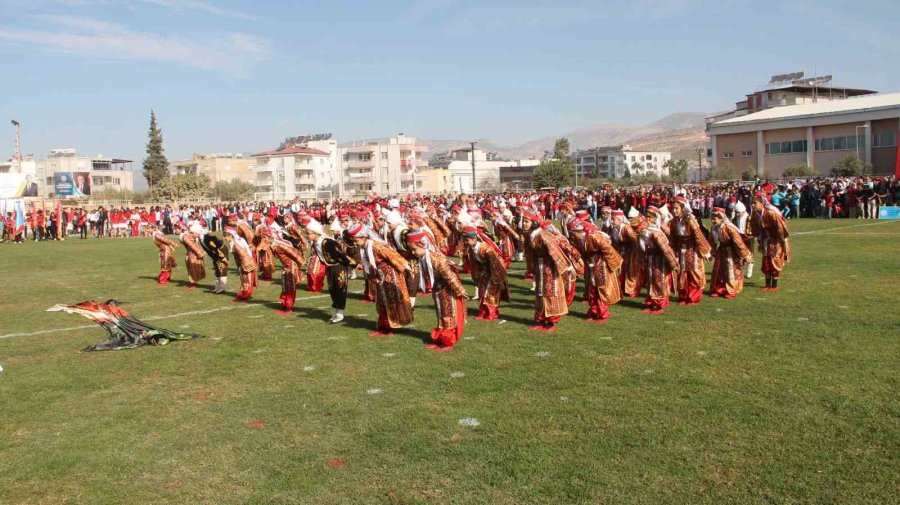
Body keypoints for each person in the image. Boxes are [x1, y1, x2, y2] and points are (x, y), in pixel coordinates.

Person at [407, 230, 469, 351]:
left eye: (414, 249)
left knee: (448, 314)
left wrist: (460, 290)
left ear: (422, 245)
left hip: (447, 290)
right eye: (411, 250)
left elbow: (450, 275)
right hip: (439, 290)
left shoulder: (436, 259)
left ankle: (448, 341)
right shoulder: (423, 257)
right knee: (441, 314)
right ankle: (441, 338)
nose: (413, 252)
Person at [348, 224, 413, 337]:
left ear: (363, 237)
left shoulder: (376, 245)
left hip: (389, 274)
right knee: (382, 301)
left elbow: (392, 254)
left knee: (391, 300)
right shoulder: (365, 246)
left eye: (356, 240)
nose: (355, 243)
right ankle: (384, 325)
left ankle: (391, 325)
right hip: (380, 274)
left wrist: (406, 267)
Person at [567, 219, 622, 324]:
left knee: (602, 290)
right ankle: (593, 311)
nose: (572, 236)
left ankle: (602, 314)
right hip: (590, 266)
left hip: (601, 265)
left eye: (572, 233)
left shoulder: (593, 237)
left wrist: (614, 265)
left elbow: (608, 249)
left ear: (578, 231)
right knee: (592, 289)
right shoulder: (577, 240)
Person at [528, 220, 577, 332]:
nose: (524, 224)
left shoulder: (544, 236)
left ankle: (551, 321)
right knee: (540, 293)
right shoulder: (532, 235)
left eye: (526, 222)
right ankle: (540, 319)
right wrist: (532, 268)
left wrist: (567, 267)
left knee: (551, 293)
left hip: (550, 267)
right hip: (540, 267)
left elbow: (555, 252)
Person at [307, 220, 355, 323]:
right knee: (332, 289)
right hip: (330, 268)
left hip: (339, 267)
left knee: (340, 289)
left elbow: (340, 253)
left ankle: (340, 313)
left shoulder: (327, 242)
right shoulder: (315, 244)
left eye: (309, 233)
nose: (307, 235)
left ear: (316, 233)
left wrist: (352, 263)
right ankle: (335, 311)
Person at [670, 196, 712, 305]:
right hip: (681, 248)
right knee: (682, 272)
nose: (674, 211)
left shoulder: (690, 220)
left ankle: (693, 297)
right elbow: (673, 237)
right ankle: (683, 296)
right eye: (673, 208)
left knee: (694, 272)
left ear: (683, 209)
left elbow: (698, 235)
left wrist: (705, 252)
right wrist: (673, 251)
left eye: (676, 208)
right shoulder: (673, 222)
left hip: (692, 248)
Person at [633, 216, 679, 315]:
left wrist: (673, 264)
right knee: (650, 280)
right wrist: (640, 262)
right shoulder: (640, 236)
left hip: (660, 260)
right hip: (649, 260)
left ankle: (660, 304)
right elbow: (640, 250)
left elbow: (666, 250)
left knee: (659, 281)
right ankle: (651, 302)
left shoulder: (655, 234)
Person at [463, 225, 509, 321]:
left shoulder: (486, 249)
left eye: (466, 240)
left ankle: (492, 313)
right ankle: (483, 312)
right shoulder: (471, 249)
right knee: (482, 292)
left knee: (490, 293)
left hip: (494, 271)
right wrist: (476, 276)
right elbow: (475, 263)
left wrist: (498, 279)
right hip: (485, 272)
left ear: (474, 239)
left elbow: (495, 264)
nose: (465, 242)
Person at [708, 207, 754, 299]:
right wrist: (710, 253)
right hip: (721, 250)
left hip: (731, 251)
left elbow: (739, 242)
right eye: (712, 218)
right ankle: (719, 288)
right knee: (720, 270)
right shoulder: (714, 228)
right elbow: (711, 241)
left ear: (722, 218)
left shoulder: (729, 228)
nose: (713, 221)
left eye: (715, 218)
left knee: (730, 271)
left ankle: (731, 290)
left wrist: (746, 255)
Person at [749, 193, 791, 291]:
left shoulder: (771, 213)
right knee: (766, 262)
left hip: (775, 240)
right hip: (764, 241)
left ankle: (774, 285)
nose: (753, 205)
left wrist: (781, 241)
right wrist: (759, 239)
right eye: (752, 203)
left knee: (774, 261)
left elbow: (781, 227)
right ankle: (767, 284)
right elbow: (755, 228)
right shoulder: (755, 215)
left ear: (762, 203)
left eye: (755, 203)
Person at [269, 227, 307, 314]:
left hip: (291, 267)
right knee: (285, 287)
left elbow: (293, 253)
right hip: (286, 267)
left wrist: (303, 262)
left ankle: (288, 306)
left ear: (270, 237)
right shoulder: (274, 246)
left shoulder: (280, 245)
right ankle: (285, 304)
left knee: (290, 287)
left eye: (265, 237)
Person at [224, 225, 258, 301]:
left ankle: (246, 296)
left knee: (247, 281)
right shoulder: (238, 240)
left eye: (225, 236)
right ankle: (243, 294)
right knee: (244, 280)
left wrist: (244, 266)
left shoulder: (236, 243)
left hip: (246, 264)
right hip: (244, 263)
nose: (224, 238)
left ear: (230, 236)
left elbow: (243, 254)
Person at [199, 228, 230, 294]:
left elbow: (216, 248)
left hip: (221, 251)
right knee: (217, 269)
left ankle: (222, 288)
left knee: (222, 268)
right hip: (216, 254)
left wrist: (223, 257)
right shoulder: (201, 239)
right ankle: (217, 287)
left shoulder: (208, 238)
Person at [177, 223, 206, 289]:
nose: (198, 235)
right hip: (192, 256)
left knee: (196, 269)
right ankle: (192, 283)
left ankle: (194, 282)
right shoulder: (187, 238)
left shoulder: (191, 237)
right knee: (192, 270)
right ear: (194, 232)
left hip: (194, 255)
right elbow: (193, 246)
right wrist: (200, 254)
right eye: (198, 233)